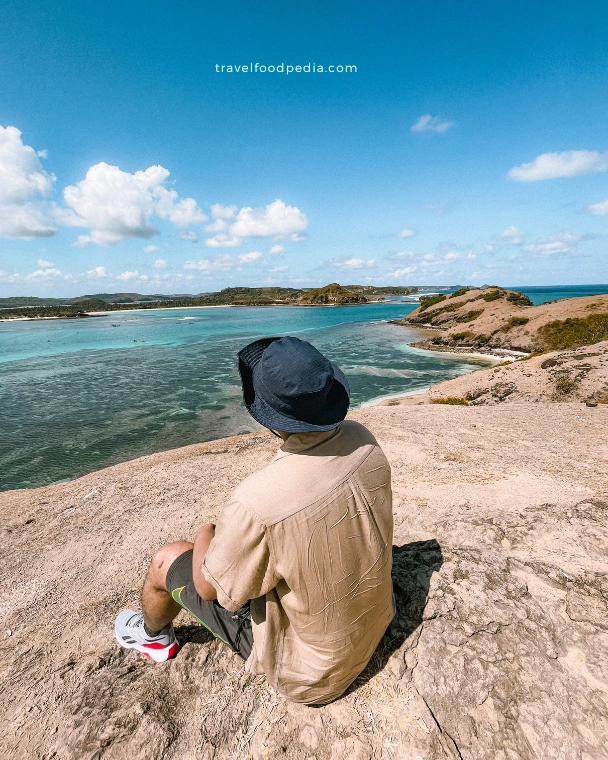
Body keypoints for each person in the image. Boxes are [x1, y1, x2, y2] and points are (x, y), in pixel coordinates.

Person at [115, 336, 394, 705]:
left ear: (270, 415)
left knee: (167, 558)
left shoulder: (258, 501)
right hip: (375, 618)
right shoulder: (363, 438)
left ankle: (152, 637)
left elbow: (209, 588)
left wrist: (206, 533)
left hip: (313, 674)